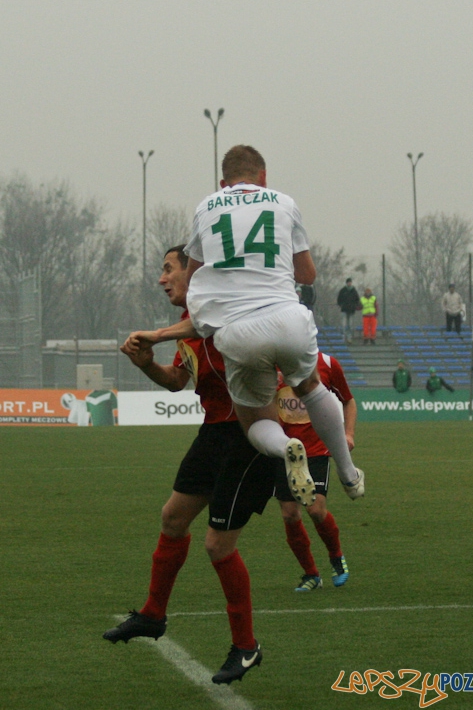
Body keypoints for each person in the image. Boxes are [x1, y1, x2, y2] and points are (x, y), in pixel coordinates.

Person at [125, 145, 364, 506]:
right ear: (263, 177)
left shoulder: (207, 207)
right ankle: (348, 472)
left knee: (254, 423)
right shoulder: (284, 202)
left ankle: (287, 448)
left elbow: (194, 278)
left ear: (223, 183)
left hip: (239, 332)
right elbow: (308, 275)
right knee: (312, 389)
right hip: (288, 318)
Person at [103, 246, 276, 686]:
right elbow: (179, 381)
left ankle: (247, 646)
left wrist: (157, 336)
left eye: (168, 268)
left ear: (193, 271)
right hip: (214, 434)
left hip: (249, 434)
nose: (161, 278)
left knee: (218, 545)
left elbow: (207, 324)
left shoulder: (214, 309)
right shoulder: (188, 325)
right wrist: (147, 366)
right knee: (172, 518)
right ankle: (153, 615)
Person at [275, 351, 356, 591]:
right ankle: (311, 574)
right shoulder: (271, 365)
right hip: (284, 449)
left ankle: (336, 556)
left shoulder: (328, 364)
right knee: (290, 514)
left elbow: (348, 400)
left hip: (317, 449)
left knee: (316, 510)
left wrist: (348, 433)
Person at [336, 278, 360, 343]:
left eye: (350, 282)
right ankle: (343, 337)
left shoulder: (354, 291)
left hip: (351, 310)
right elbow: (339, 299)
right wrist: (341, 305)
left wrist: (355, 306)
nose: (349, 283)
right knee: (343, 325)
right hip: (344, 310)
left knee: (350, 325)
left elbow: (357, 300)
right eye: (348, 282)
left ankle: (349, 337)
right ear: (346, 283)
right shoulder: (343, 290)